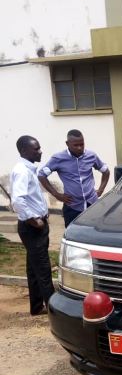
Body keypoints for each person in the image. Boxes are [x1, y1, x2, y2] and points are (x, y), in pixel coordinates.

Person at [10, 135, 55, 315]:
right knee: (43, 269)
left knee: (34, 268)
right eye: (36, 149)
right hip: (33, 228)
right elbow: (17, 201)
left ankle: (36, 306)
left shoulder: (28, 169)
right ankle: (53, 309)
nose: (40, 151)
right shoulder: (22, 171)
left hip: (36, 226)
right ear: (24, 151)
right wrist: (34, 220)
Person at [38, 129, 110, 227]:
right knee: (73, 232)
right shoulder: (58, 158)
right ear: (67, 144)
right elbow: (41, 175)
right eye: (76, 145)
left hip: (92, 204)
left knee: (93, 231)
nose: (79, 148)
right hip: (72, 206)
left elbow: (105, 171)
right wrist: (56, 194)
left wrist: (101, 190)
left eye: (82, 144)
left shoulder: (91, 156)